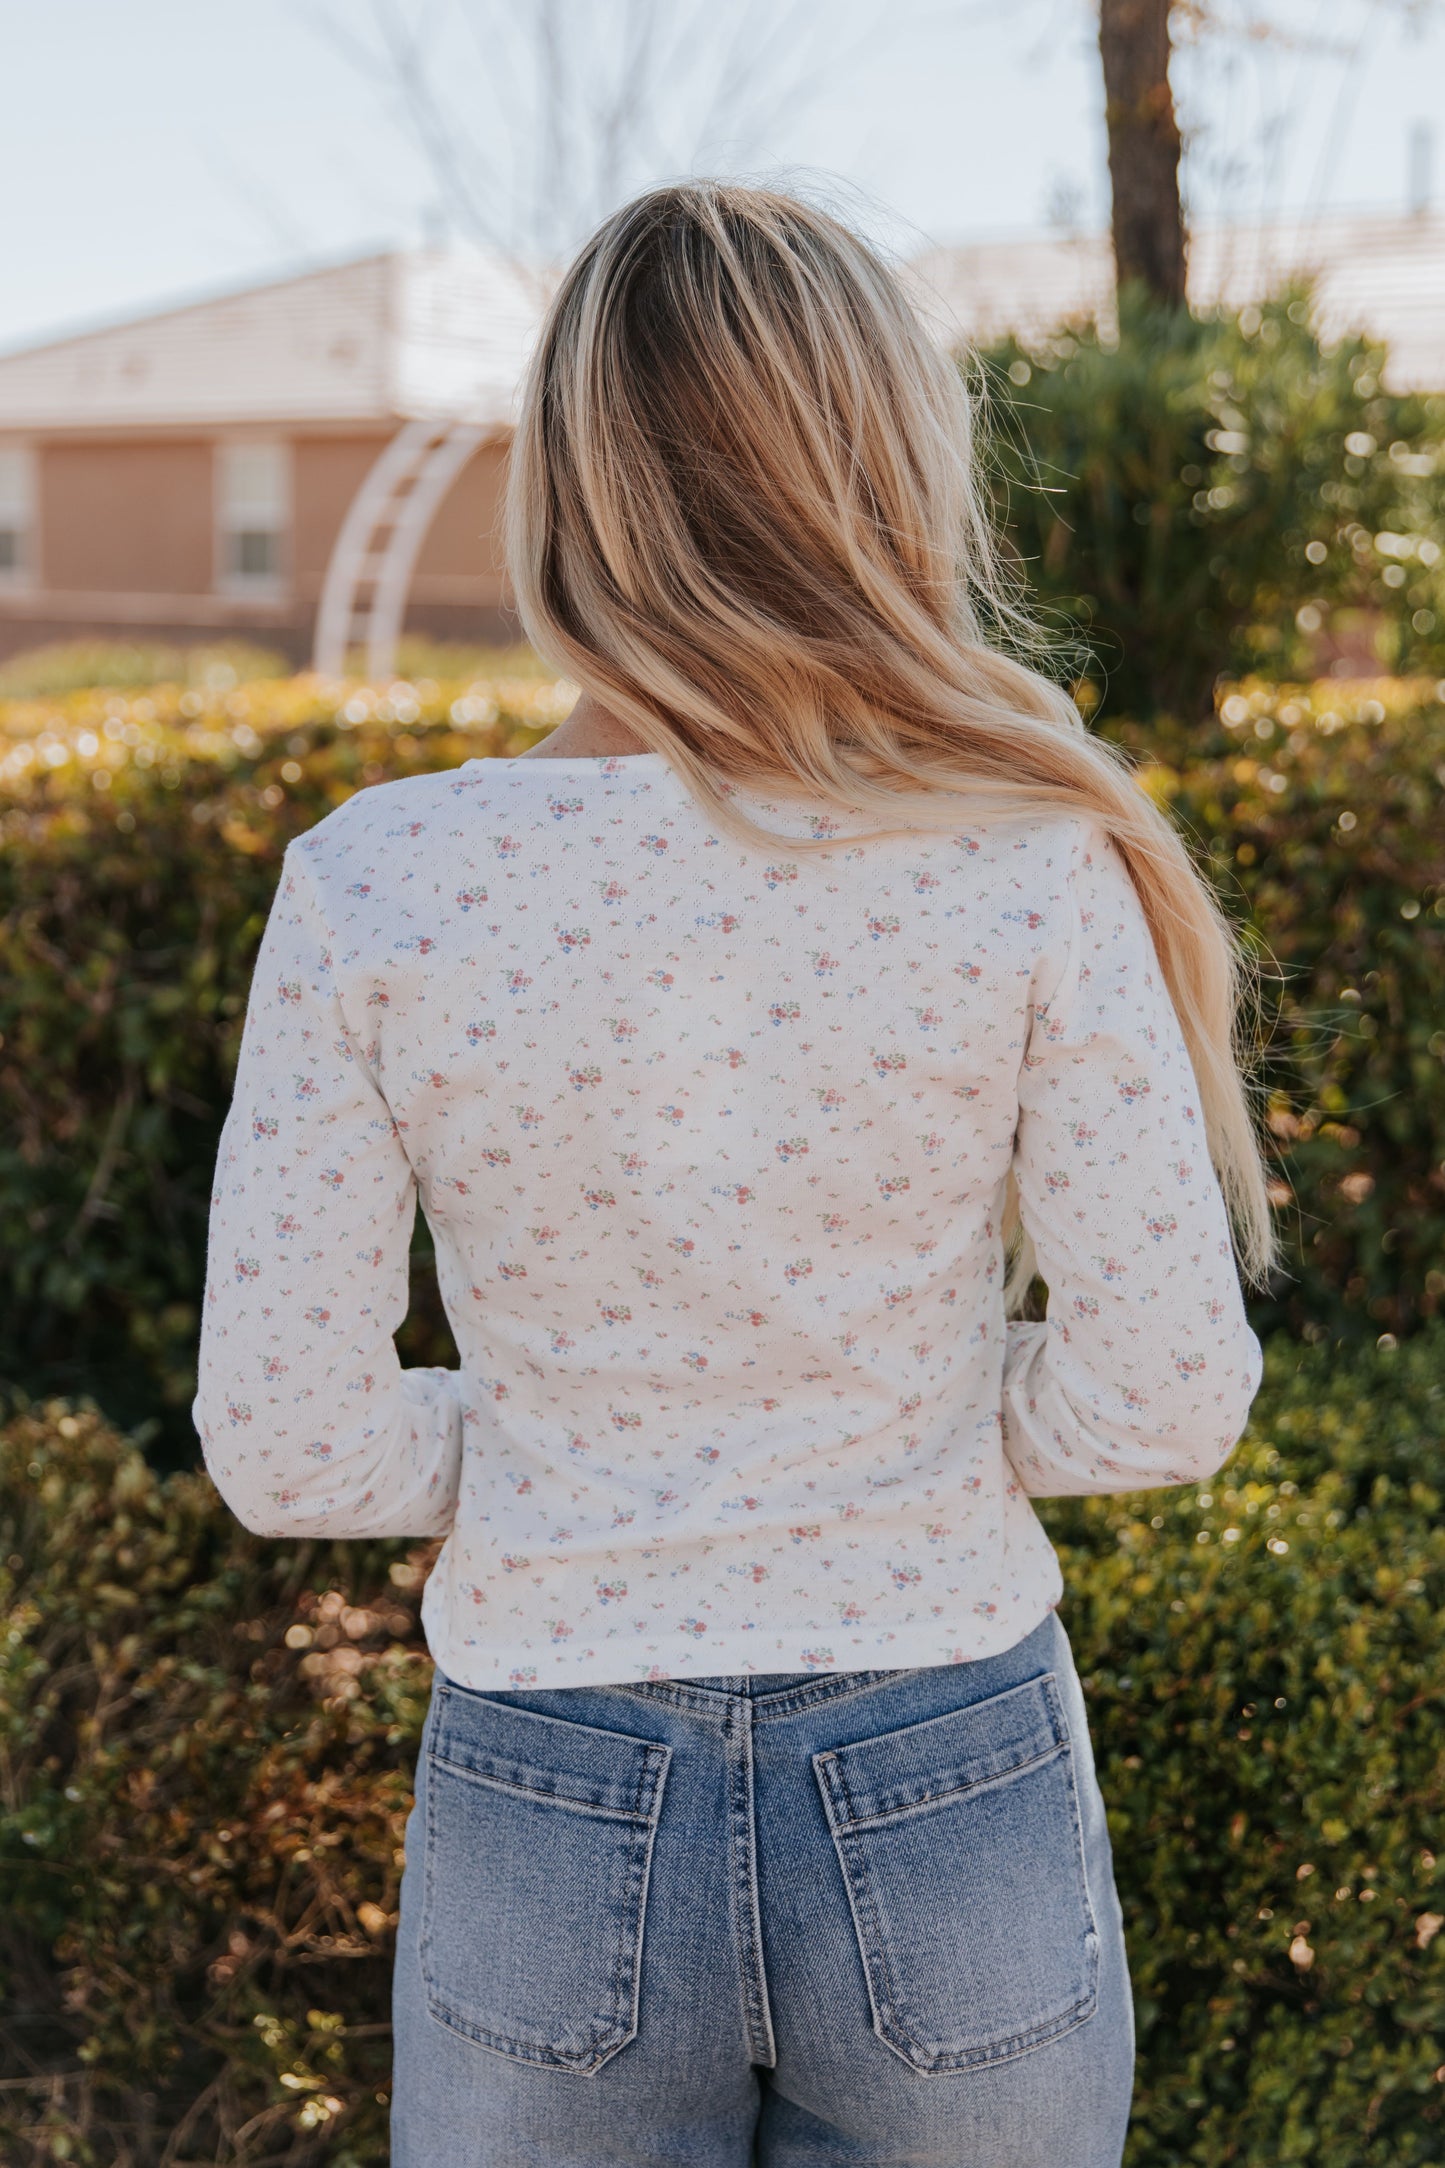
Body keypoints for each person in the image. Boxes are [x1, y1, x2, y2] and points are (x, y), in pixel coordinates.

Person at [194, 181, 1269, 2168]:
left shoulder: (382, 882)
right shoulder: (1027, 863)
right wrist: (911, 1423)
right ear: (894, 478)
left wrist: (558, 1443)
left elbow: (291, 1445)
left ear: (571, 488)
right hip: (950, 1765)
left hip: (549, 1771)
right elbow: (1168, 1398)